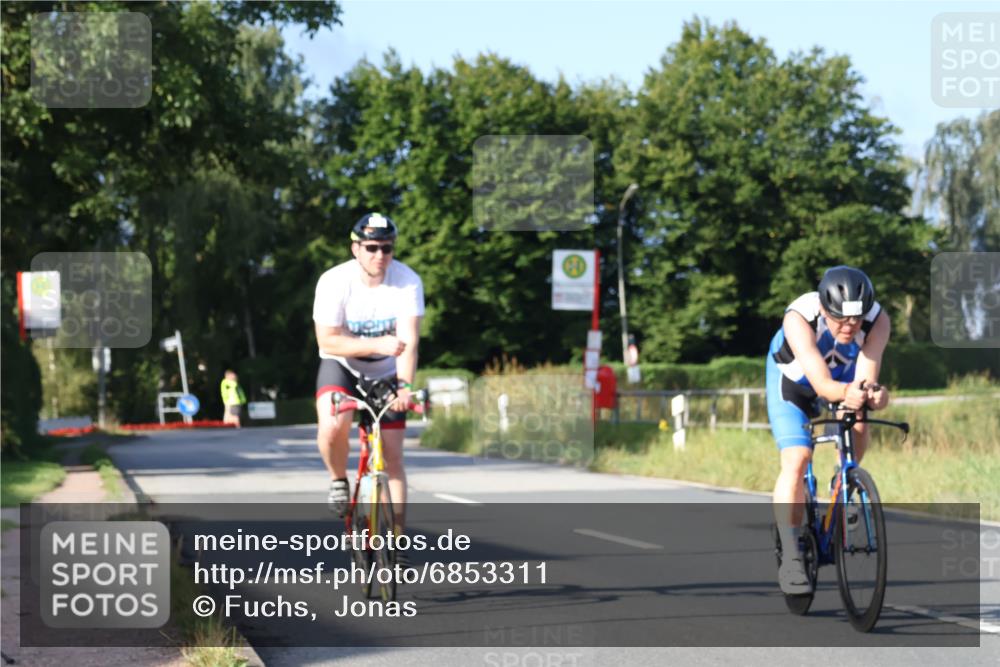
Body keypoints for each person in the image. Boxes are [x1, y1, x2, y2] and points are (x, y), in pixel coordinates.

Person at [766, 266, 891, 594]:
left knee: (860, 418)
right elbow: (821, 385)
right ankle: (792, 557)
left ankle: (844, 481)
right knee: (797, 459)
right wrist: (851, 392)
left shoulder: (878, 321)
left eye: (857, 319)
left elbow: (865, 379)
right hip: (794, 384)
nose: (850, 326)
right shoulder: (799, 318)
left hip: (840, 382)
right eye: (841, 320)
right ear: (824, 309)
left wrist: (875, 394)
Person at [312, 213, 424, 538]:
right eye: (371, 247)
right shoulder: (334, 282)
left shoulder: (407, 280)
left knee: (393, 456)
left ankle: (399, 541)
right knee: (333, 427)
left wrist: (404, 387)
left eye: (387, 248)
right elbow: (327, 340)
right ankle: (337, 480)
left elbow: (410, 340)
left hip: (387, 371)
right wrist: (376, 343)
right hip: (342, 365)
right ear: (355, 248)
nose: (380, 256)